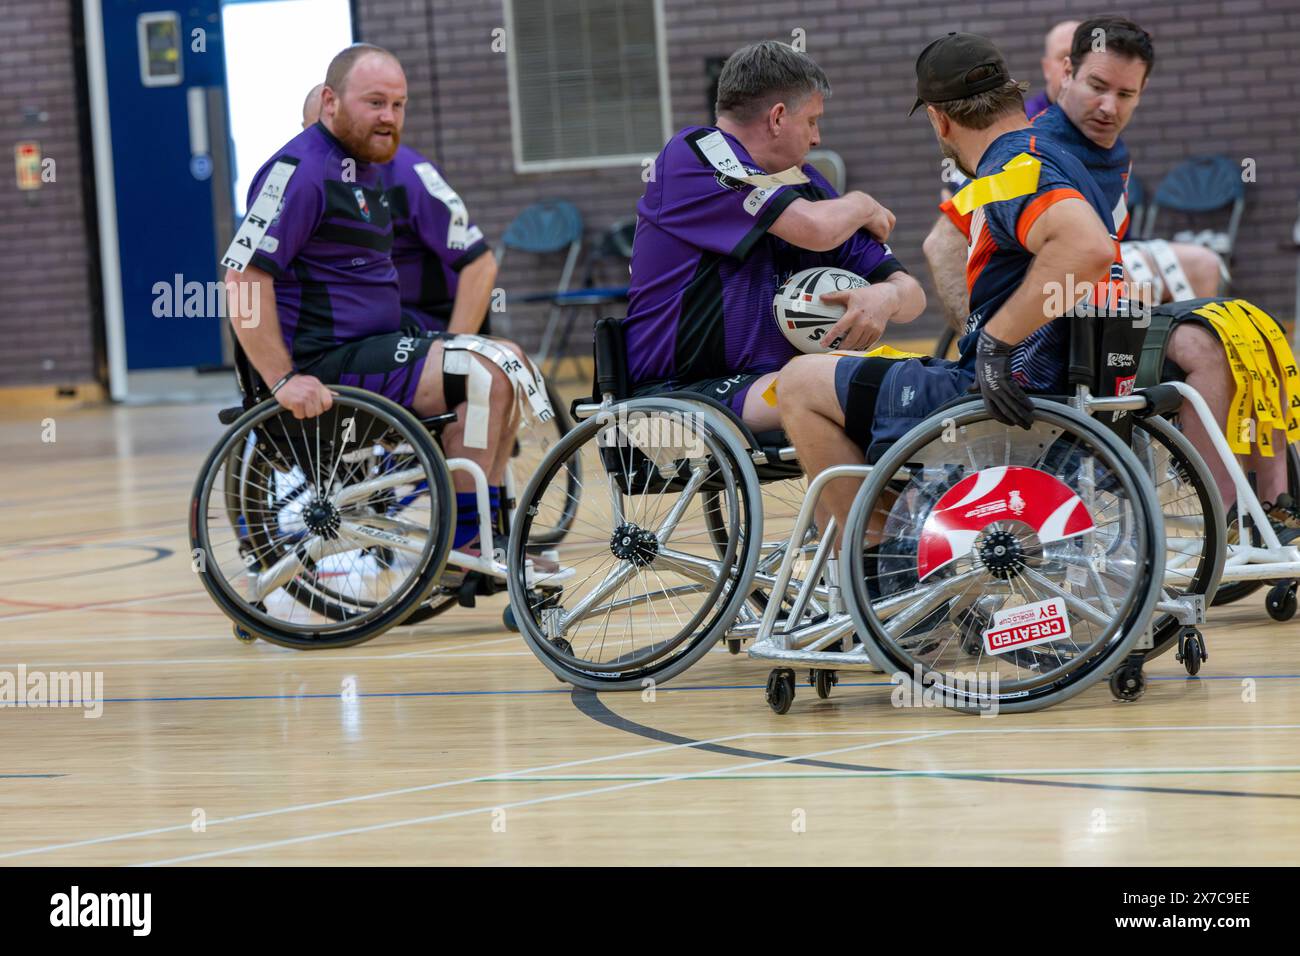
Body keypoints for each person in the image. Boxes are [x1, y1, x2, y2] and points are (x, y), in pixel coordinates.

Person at [922, 18, 1291, 524]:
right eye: (1097, 86)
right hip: (1063, 335)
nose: (1108, 107)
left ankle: (1274, 501)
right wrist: (988, 335)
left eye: (1126, 94)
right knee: (1204, 336)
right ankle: (1219, 512)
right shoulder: (1034, 147)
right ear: (1065, 74)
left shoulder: (1112, 153)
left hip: (1100, 313)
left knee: (1245, 327)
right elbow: (941, 240)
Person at [781, 32, 1125, 534]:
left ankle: (871, 560)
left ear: (938, 119)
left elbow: (1086, 250)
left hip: (1014, 401)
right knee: (868, 375)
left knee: (800, 381)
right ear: (1012, 93)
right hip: (1066, 392)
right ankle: (906, 535)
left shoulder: (1015, 169)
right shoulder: (1060, 158)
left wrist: (995, 343)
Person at [224, 44, 524, 551]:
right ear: (331, 101)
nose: (389, 117)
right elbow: (243, 277)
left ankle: (482, 536)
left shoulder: (364, 169)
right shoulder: (299, 171)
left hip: (377, 344)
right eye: (375, 103)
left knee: (507, 360)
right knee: (484, 372)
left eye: (399, 105)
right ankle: (469, 541)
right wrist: (282, 379)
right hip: (328, 362)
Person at [624, 40, 926, 531]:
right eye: (812, 121)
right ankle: (868, 558)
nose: (816, 137)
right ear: (778, 117)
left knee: (919, 381)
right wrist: (865, 203)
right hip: (683, 397)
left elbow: (912, 296)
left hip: (772, 385)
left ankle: (887, 546)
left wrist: (883, 295)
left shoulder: (804, 184)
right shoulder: (696, 154)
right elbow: (815, 229)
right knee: (848, 389)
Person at [303, 83, 499, 336]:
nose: (323, 145)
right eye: (315, 134)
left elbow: (481, 265)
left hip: (426, 317)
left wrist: (453, 352)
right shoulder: (305, 182)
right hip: (361, 313)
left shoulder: (409, 175)